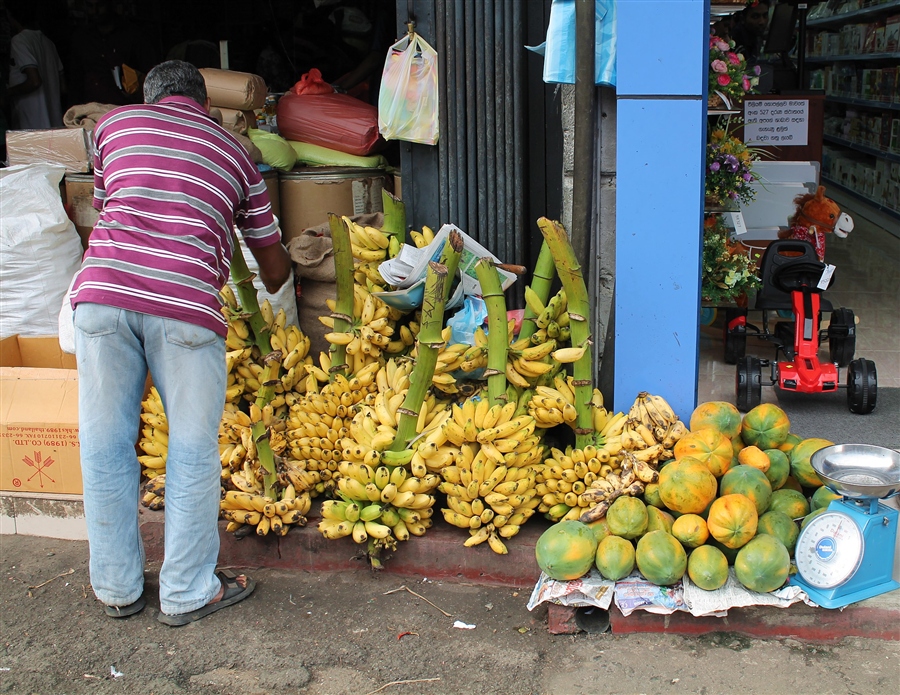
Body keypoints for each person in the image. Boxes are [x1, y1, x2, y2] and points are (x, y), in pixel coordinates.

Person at [69, 60, 292, 626]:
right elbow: (270, 265)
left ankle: (117, 588)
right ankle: (188, 591)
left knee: (104, 445)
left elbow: (105, 207)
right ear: (205, 103)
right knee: (191, 451)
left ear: (150, 98)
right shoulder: (238, 152)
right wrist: (274, 268)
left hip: (102, 295)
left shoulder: (114, 128)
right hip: (186, 308)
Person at [5, 4, 65, 129]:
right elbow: (63, 87)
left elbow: (34, 82)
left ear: (11, 17)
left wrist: (7, 93)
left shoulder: (19, 41)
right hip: (55, 125)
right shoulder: (49, 43)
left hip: (33, 126)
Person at [729, 0, 771, 68]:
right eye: (755, 17)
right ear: (742, 18)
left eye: (765, 16)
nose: (762, 22)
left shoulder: (755, 36)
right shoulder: (736, 43)